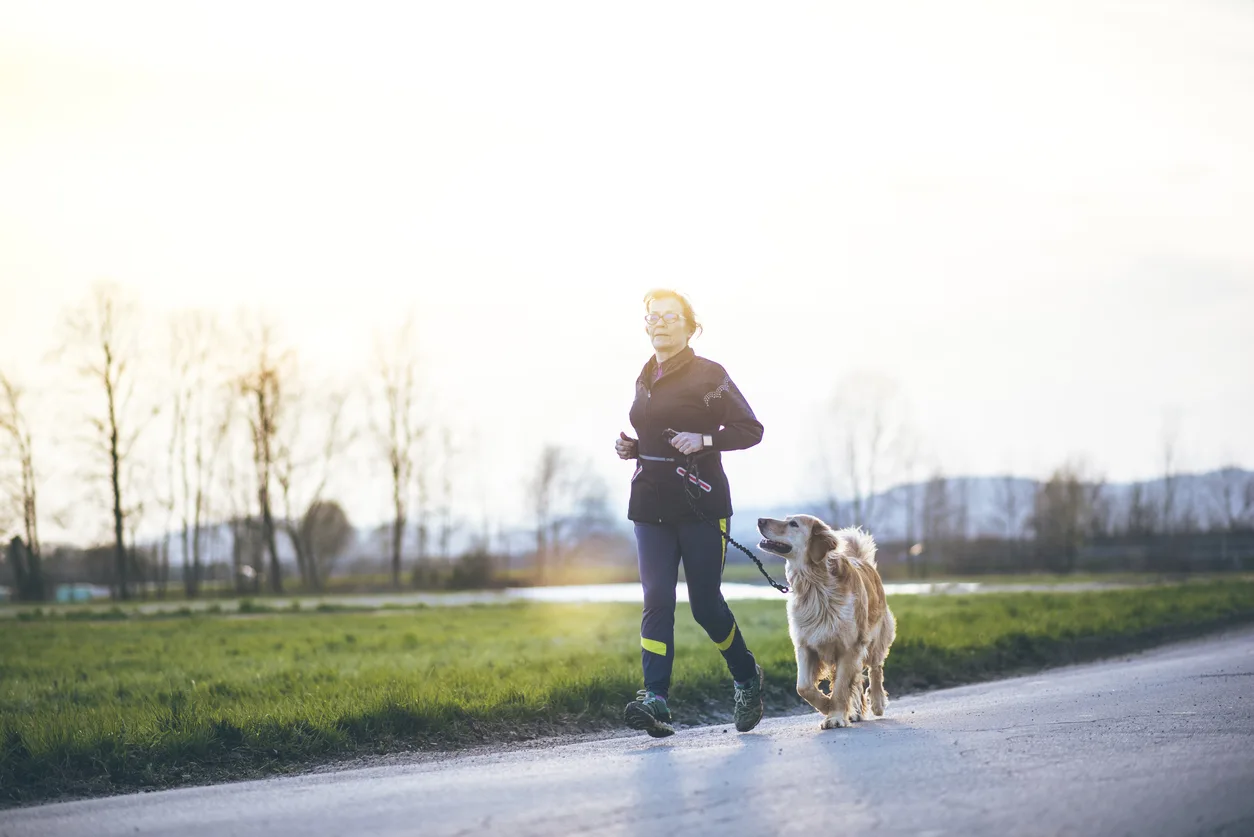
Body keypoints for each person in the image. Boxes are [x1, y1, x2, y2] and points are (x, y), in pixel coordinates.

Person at [614, 288, 766, 737]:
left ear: (688, 325)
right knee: (656, 598)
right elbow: (658, 431)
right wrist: (635, 448)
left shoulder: (709, 375)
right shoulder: (644, 376)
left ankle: (746, 678)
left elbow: (750, 429)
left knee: (704, 605)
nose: (658, 323)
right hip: (649, 505)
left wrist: (706, 440)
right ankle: (655, 699)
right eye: (652, 316)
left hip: (701, 505)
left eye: (669, 316)